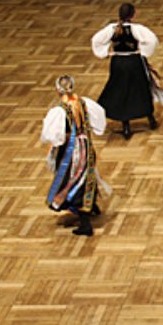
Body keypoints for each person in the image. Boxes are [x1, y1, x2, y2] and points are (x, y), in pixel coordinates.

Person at [40, 75, 108, 237]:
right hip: (86, 144)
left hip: (72, 150)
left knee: (74, 179)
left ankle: (85, 223)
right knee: (87, 174)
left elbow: (54, 136)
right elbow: (99, 119)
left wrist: (56, 146)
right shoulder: (84, 103)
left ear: (58, 90)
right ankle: (92, 206)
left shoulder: (60, 111)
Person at [92, 3, 163, 140]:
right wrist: (142, 51)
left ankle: (126, 125)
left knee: (120, 89)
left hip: (118, 63)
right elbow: (152, 40)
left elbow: (96, 40)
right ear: (133, 15)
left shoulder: (112, 29)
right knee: (140, 89)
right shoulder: (136, 29)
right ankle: (150, 119)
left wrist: (107, 53)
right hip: (133, 63)